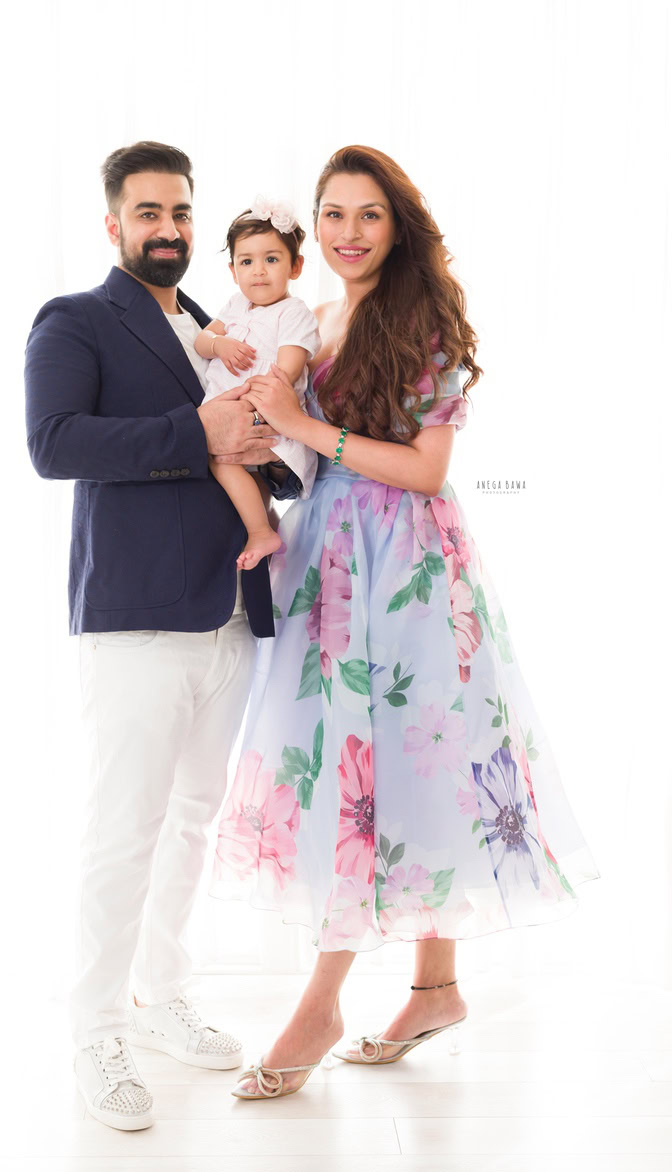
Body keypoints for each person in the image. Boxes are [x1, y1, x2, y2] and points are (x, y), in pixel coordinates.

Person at [208, 144, 601, 1100]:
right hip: (337, 557)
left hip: (406, 564)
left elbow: (427, 469)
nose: (347, 233)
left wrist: (302, 429)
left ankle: (321, 1004)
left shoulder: (419, 318)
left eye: (367, 216)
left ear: (399, 225)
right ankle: (433, 987)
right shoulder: (326, 315)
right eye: (332, 215)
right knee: (391, 763)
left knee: (393, 762)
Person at [24, 140, 301, 1129]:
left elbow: (253, 438)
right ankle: (94, 1031)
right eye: (148, 213)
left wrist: (269, 453)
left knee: (190, 821)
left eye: (181, 212)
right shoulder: (74, 319)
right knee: (123, 830)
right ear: (112, 225)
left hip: (228, 613)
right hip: (135, 616)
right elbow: (54, 444)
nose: (169, 229)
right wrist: (203, 435)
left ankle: (157, 995)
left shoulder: (217, 323)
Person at [193, 198, 321, 568]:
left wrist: (248, 406)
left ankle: (261, 531)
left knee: (224, 462)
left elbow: (288, 370)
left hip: (265, 414)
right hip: (229, 411)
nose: (258, 271)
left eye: (271, 259)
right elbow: (202, 341)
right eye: (246, 261)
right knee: (225, 465)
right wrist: (220, 344)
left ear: (295, 266)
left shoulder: (294, 312)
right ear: (233, 270)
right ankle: (264, 527)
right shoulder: (234, 306)